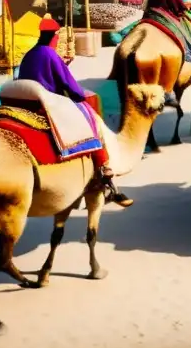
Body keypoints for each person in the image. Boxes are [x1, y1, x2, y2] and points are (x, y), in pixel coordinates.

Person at [18, 15, 132, 207]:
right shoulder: (50, 54)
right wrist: (80, 96)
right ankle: (104, 169)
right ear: (54, 37)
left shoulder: (30, 53)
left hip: (24, 101)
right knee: (89, 120)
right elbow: (68, 85)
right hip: (46, 102)